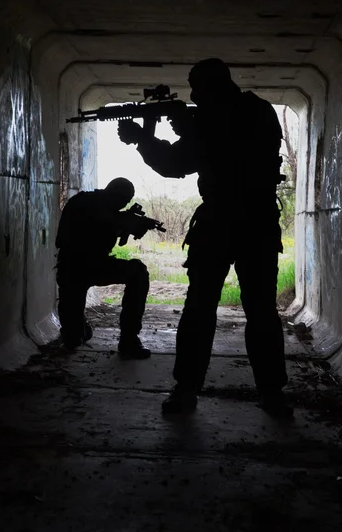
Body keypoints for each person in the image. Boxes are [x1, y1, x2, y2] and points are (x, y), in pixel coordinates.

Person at [117, 58, 293, 417]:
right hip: (256, 223)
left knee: (201, 309)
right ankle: (272, 393)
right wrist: (185, 129)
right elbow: (202, 148)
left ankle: (187, 391)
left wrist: (145, 139)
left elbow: (178, 163)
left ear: (211, 88)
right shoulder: (258, 111)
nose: (195, 96)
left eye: (197, 90)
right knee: (258, 310)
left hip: (225, 221)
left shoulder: (228, 118)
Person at [55, 177, 151, 359]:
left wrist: (126, 228)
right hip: (74, 268)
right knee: (73, 338)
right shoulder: (84, 202)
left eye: (127, 202)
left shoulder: (108, 210)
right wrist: (123, 222)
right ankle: (78, 328)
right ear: (113, 193)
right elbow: (100, 220)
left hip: (94, 266)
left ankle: (129, 339)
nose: (124, 204)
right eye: (123, 200)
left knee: (138, 272)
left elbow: (112, 228)